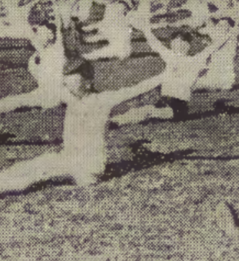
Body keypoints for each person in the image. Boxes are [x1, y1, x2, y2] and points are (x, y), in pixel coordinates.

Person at [0, 60, 165, 193]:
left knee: (39, 173)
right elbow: (45, 87)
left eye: (73, 81)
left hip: (88, 167)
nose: (68, 87)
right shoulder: (70, 97)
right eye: (67, 82)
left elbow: (136, 89)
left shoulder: (104, 99)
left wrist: (163, 76)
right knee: (33, 164)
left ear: (87, 82)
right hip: (69, 158)